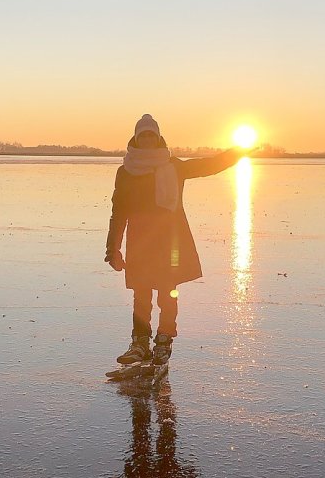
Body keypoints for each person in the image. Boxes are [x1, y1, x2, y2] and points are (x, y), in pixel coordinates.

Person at [105, 114, 252, 367]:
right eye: (144, 136)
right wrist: (113, 248)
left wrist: (238, 152)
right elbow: (118, 211)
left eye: (152, 135)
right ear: (137, 139)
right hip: (140, 241)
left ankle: (163, 341)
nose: (149, 140)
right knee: (141, 294)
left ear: (158, 137)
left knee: (167, 293)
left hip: (169, 241)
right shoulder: (127, 170)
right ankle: (140, 344)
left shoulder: (174, 166)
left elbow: (209, 165)